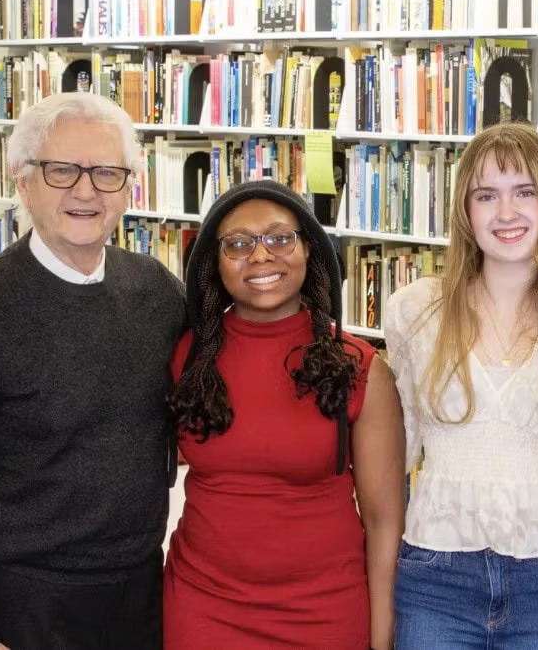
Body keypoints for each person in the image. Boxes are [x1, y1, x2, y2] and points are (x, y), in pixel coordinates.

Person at [0, 91, 186, 650]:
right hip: (22, 606)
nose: (85, 190)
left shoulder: (158, 291)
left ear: (129, 188)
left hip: (142, 592)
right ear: (22, 182)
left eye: (106, 172)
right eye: (61, 170)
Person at [383, 122, 538, 649]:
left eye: (525, 192)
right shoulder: (416, 311)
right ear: (465, 213)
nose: (507, 213)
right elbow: (393, 449)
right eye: (486, 195)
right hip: (433, 573)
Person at [164, 180, 405, 649]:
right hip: (202, 609)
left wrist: (380, 640)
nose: (260, 256)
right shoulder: (186, 358)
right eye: (238, 243)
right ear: (214, 263)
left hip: (325, 613)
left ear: (310, 251)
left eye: (280, 238)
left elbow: (384, 523)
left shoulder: (359, 368)